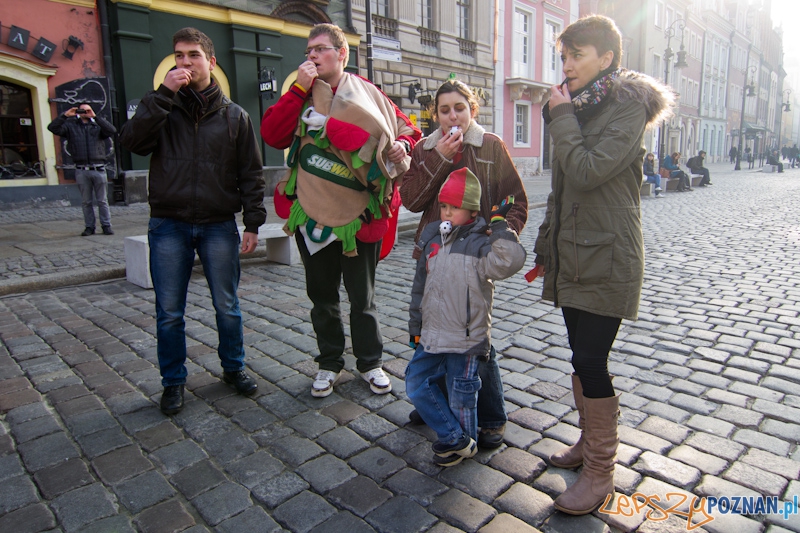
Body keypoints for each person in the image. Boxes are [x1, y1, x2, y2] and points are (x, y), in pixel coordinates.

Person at [533, 15, 673, 515]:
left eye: (577, 56)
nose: (567, 66)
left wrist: (561, 118)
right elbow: (562, 188)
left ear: (606, 59)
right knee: (578, 355)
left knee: (593, 360)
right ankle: (587, 445)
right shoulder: (580, 106)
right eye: (564, 56)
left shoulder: (625, 108)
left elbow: (587, 171)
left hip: (609, 255)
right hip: (574, 251)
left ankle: (600, 471)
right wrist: (546, 241)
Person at [260, 23, 421, 398]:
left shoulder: (370, 93)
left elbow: (408, 129)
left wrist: (401, 144)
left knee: (362, 299)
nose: (312, 56)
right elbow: (273, 135)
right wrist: (299, 88)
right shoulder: (298, 94)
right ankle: (329, 362)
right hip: (312, 213)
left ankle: (370, 362)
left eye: (320, 49)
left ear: (341, 53)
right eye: (308, 50)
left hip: (358, 215)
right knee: (322, 296)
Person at [119, 28, 266, 415]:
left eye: (193, 55)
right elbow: (132, 142)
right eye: (178, 56)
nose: (184, 63)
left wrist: (252, 223)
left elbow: (251, 174)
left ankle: (233, 369)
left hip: (219, 224)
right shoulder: (161, 109)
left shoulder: (236, 116)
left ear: (210, 62)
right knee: (169, 311)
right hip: (169, 223)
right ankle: (173, 382)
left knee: (227, 305)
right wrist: (162, 96)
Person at [401, 79, 528, 449]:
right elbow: (410, 199)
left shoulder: (489, 146)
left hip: (474, 257)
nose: (452, 116)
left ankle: (491, 415)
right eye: (444, 110)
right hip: (435, 254)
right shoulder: (426, 147)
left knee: (474, 336)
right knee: (432, 325)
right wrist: (438, 156)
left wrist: (496, 236)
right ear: (435, 114)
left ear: (472, 109)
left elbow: (515, 201)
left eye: (459, 107)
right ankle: (435, 404)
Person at [405, 168, 526, 467]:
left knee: (463, 393)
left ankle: (459, 442)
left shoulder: (481, 244)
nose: (447, 212)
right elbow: (419, 287)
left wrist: (500, 225)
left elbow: (509, 261)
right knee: (415, 381)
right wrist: (415, 326)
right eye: (444, 206)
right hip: (432, 334)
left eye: (454, 208)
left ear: (472, 210)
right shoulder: (433, 238)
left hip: (466, 337)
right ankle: (455, 437)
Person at [48, 103, 115, 236]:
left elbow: (112, 131)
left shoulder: (97, 126)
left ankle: (106, 225)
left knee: (102, 200)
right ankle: (89, 227)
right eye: (82, 110)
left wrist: (95, 117)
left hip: (99, 168)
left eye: (87, 110)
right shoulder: (71, 126)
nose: (84, 112)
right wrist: (65, 115)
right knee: (86, 202)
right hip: (81, 169)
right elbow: (52, 128)